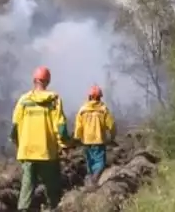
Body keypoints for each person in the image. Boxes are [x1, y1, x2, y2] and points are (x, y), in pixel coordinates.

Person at [10, 66, 71, 212]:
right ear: (48, 81)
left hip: (27, 152)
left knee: (27, 187)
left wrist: (19, 145)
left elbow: (14, 128)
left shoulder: (23, 100)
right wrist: (64, 145)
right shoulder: (54, 100)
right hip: (47, 152)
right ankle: (52, 208)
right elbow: (61, 128)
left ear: (34, 80)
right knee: (52, 188)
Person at [73, 84, 116, 189]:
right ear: (100, 97)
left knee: (90, 161)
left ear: (89, 97)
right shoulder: (103, 109)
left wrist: (77, 138)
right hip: (99, 140)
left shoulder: (82, 110)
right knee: (100, 163)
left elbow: (78, 127)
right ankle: (94, 180)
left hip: (87, 141)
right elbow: (111, 125)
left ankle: (90, 179)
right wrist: (112, 136)